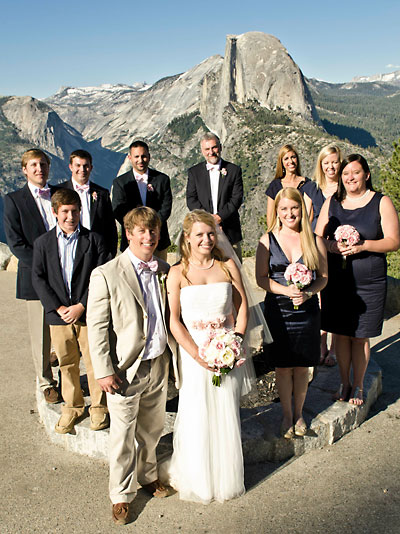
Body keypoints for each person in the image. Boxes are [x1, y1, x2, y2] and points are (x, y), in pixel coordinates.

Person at [86, 206, 180, 525]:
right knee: (122, 436)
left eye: (152, 230)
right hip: (125, 370)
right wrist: (103, 370)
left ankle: (148, 477)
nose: (148, 236)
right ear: (128, 234)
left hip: (158, 362)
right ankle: (120, 495)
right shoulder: (107, 273)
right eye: (141, 230)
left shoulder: (165, 269)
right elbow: (97, 327)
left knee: (152, 429)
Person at [167, 209, 252, 503]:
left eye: (210, 233)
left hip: (226, 350)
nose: (206, 239)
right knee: (197, 412)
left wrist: (236, 341)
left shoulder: (227, 266)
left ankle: (225, 478)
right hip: (195, 354)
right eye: (199, 234)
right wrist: (197, 354)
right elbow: (174, 321)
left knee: (225, 411)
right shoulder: (177, 272)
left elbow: (242, 307)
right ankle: (199, 479)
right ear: (187, 238)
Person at [315, 154, 400, 405]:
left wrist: (363, 246)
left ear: (367, 174)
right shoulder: (332, 202)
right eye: (345, 173)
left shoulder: (380, 202)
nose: (350, 177)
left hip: (369, 281)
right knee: (340, 333)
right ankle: (344, 383)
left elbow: (394, 241)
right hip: (337, 280)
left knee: (360, 335)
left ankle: (360, 386)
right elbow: (318, 236)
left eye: (355, 172)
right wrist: (331, 247)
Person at [32, 189, 110, 433]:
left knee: (95, 360)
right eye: (65, 211)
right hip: (59, 315)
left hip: (87, 312)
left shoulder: (94, 241)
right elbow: (39, 278)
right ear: (55, 212)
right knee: (67, 363)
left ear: (80, 212)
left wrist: (81, 305)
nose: (70, 216)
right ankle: (73, 406)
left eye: (75, 211)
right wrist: (58, 307)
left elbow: (100, 276)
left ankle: (99, 407)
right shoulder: (43, 243)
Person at [256, 188, 328, 437]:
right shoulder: (267, 240)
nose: (290, 213)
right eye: (284, 209)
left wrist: (308, 294)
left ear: (302, 210)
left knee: (302, 367)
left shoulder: (315, 240)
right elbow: (261, 278)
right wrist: (286, 292)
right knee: (283, 366)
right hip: (278, 310)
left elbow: (324, 279)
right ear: (277, 211)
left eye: (294, 208)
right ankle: (286, 414)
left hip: (307, 311)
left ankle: (299, 414)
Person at [3, 148, 59, 403]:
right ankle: (46, 381)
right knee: (40, 331)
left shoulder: (59, 194)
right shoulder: (14, 200)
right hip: (35, 274)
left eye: (43, 164)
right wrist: (42, 267)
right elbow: (16, 243)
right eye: (34, 165)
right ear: (25, 169)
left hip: (64, 272)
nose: (40, 169)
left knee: (68, 328)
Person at [186, 132, 243, 260]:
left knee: (235, 271)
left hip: (229, 231)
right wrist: (208, 219)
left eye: (214, 147)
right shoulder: (194, 172)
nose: (211, 152)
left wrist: (219, 217)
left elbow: (236, 198)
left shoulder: (234, 170)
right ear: (202, 151)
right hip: (203, 235)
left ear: (220, 147)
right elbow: (191, 199)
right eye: (207, 149)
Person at [111, 140, 172, 260]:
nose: (140, 160)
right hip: (132, 241)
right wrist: (137, 228)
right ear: (130, 157)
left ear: (149, 156)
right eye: (136, 156)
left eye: (143, 156)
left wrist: (152, 227)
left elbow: (166, 207)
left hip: (158, 240)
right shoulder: (120, 183)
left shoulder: (162, 179)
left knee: (159, 275)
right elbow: (119, 210)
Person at [312, 144, 343, 367]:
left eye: (334, 161)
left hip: (341, 252)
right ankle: (321, 345)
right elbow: (305, 219)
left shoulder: (346, 188)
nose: (330, 166)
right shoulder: (312, 189)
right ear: (320, 165)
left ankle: (333, 349)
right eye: (326, 162)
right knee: (321, 300)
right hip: (318, 250)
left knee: (336, 301)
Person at [57, 149, 118, 258]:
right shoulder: (58, 191)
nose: (82, 169)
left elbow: (110, 228)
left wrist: (110, 254)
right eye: (78, 165)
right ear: (70, 167)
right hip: (67, 251)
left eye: (86, 166)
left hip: (96, 252)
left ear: (91, 168)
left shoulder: (102, 193)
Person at [266, 144, 324, 230]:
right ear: (281, 162)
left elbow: (310, 214)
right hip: (281, 233)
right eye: (286, 158)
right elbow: (271, 216)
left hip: (303, 231)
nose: (291, 161)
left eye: (293, 157)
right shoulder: (275, 186)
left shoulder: (307, 184)